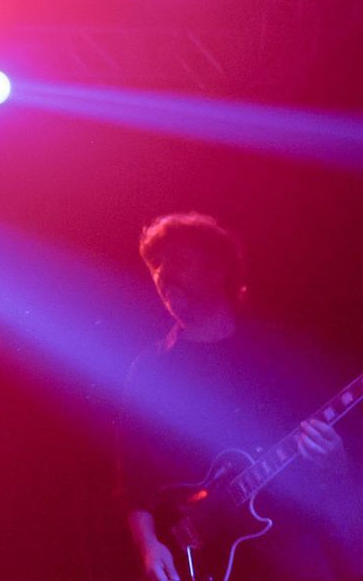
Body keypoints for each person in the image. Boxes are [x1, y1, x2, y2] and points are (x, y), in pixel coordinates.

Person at [117, 212, 359, 581]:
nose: (163, 272)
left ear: (218, 269)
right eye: (156, 264)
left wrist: (334, 458)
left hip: (290, 539)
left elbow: (331, 459)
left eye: (178, 259)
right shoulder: (150, 369)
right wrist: (149, 545)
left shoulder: (277, 350)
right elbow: (134, 475)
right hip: (202, 559)